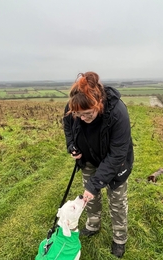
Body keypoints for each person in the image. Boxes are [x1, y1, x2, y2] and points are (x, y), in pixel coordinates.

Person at [63, 71, 134, 258]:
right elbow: (68, 126)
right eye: (78, 115)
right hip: (88, 158)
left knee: (117, 200)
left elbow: (117, 154)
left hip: (115, 163)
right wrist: (71, 146)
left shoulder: (118, 112)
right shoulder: (74, 106)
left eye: (87, 114)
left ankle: (119, 238)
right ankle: (92, 225)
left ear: (98, 104)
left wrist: (95, 185)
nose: (82, 119)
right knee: (89, 197)